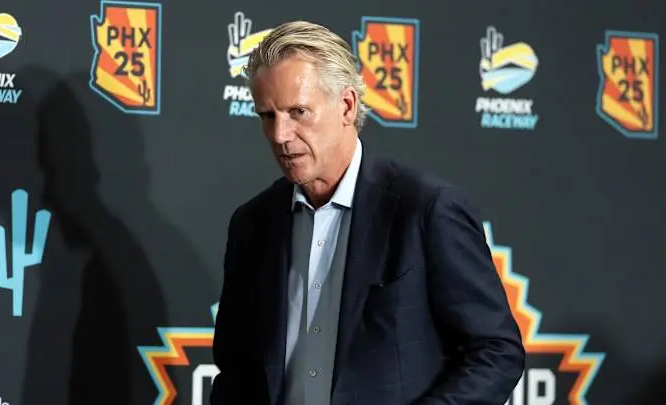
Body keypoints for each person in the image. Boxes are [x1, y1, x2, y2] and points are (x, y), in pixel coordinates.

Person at [210, 20, 525, 405]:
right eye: (267, 115)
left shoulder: (425, 209)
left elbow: (496, 352)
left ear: (347, 105)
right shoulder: (253, 224)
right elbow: (236, 371)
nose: (280, 135)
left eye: (298, 112)